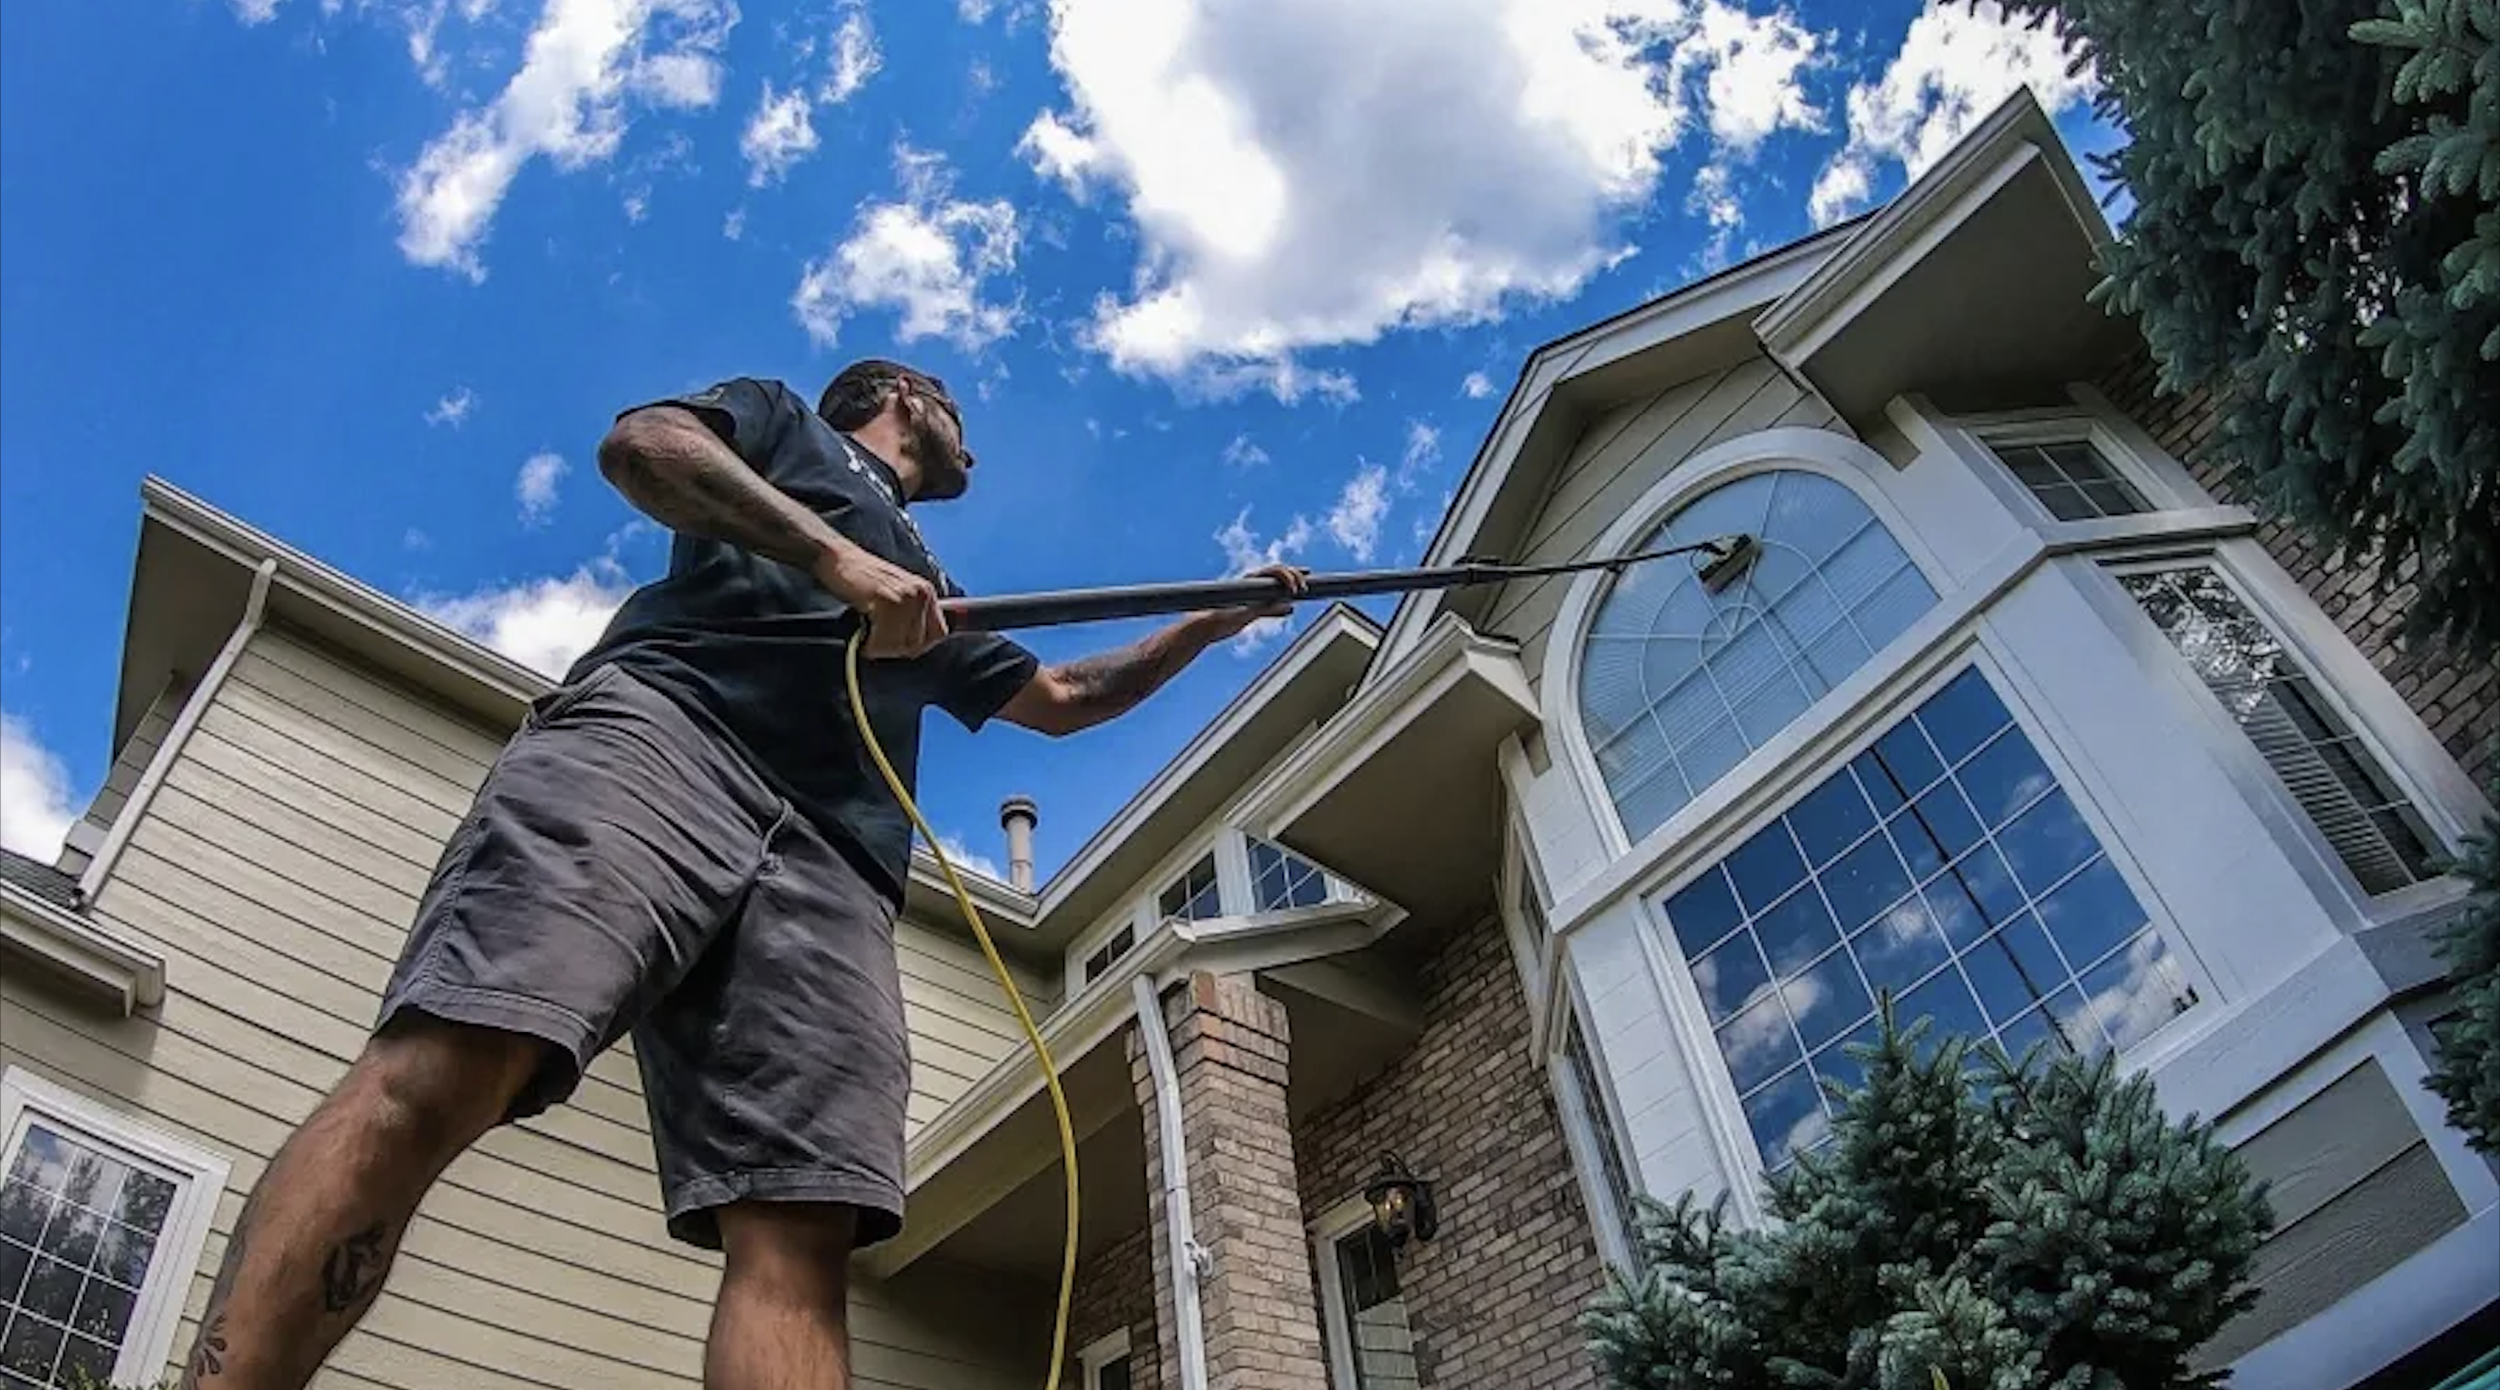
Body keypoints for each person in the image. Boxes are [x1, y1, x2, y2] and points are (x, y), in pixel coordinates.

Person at [176, 359, 1310, 1390]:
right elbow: (644, 446)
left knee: (802, 1224)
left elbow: (1065, 701)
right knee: (455, 1055)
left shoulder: (934, 584)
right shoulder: (783, 425)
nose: (975, 446)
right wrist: (832, 556)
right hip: (665, 735)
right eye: (961, 415)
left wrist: (1208, 626)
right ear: (905, 396)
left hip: (836, 862)